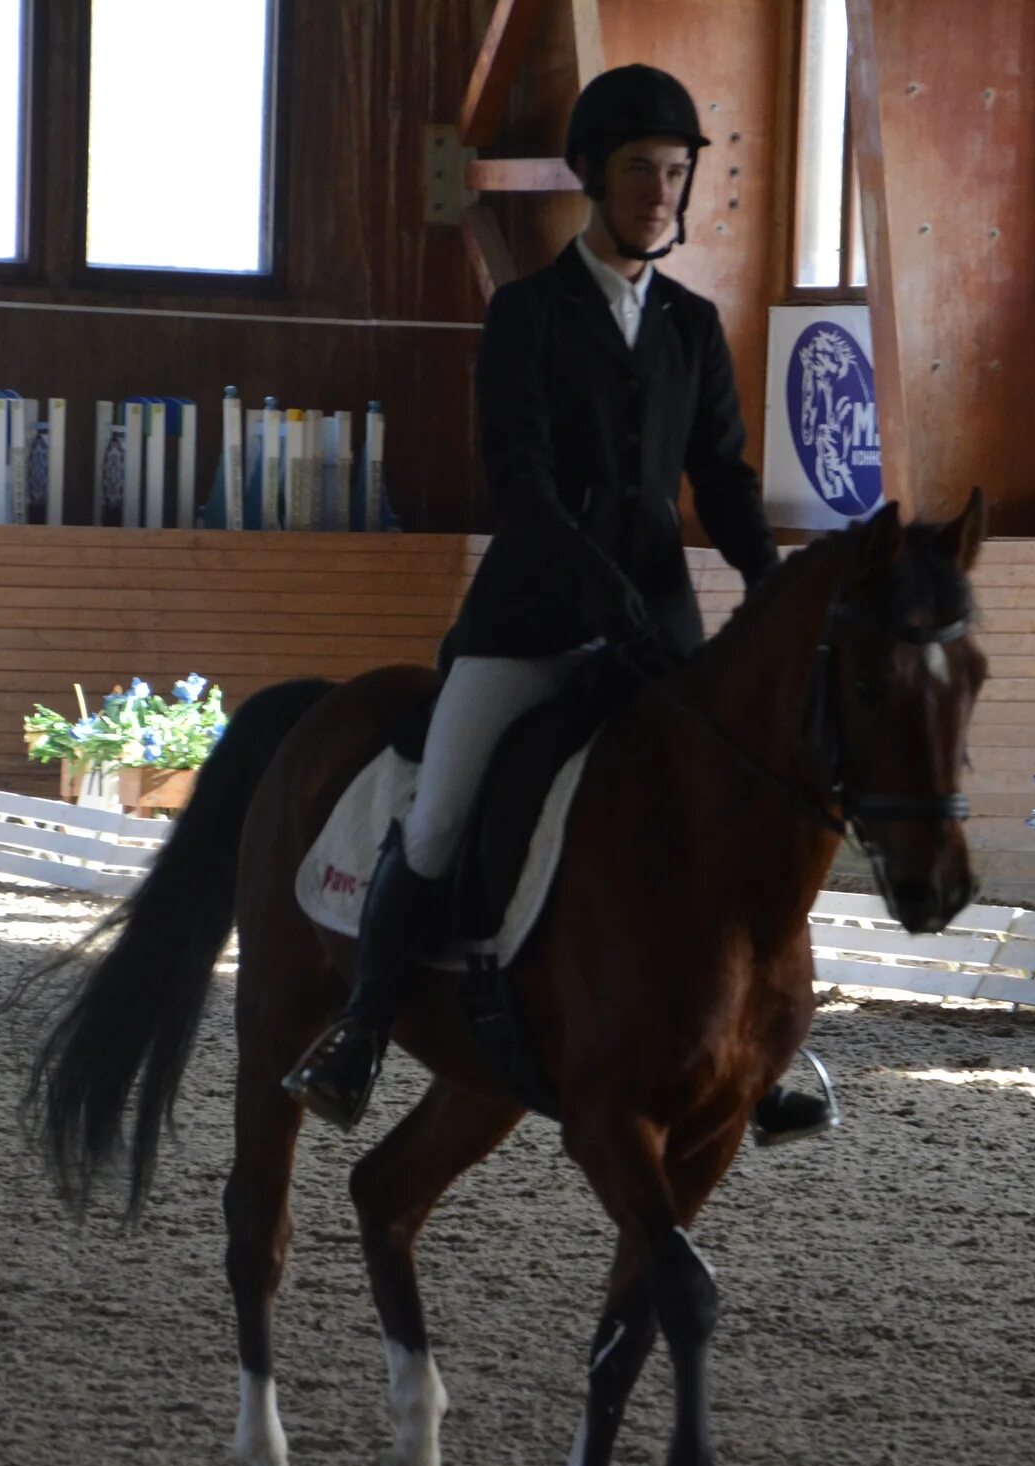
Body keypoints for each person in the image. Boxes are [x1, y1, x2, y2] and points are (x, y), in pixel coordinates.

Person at [284, 63, 838, 1145]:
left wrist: (767, 583)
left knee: (742, 818)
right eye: (641, 171)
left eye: (677, 174)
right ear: (592, 176)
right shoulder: (530, 315)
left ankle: (764, 1051)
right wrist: (597, 584)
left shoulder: (690, 325)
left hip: (660, 638)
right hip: (530, 624)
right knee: (438, 814)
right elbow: (522, 477)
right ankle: (358, 1030)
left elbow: (719, 474)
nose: (661, 193)